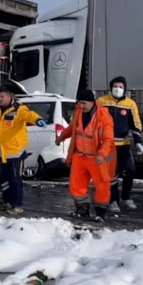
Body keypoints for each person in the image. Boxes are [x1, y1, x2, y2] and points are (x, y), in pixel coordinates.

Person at [57, 88, 116, 222]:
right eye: (79, 103)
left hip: (97, 158)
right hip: (80, 156)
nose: (81, 106)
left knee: (102, 186)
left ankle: (100, 213)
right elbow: (73, 127)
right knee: (76, 184)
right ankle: (82, 210)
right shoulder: (79, 111)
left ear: (92, 102)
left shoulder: (104, 117)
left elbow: (108, 140)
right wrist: (62, 136)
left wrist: (102, 154)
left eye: (84, 103)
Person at [0, 84, 46, 216]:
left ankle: (17, 205)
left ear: (10, 96)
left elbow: (29, 115)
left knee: (15, 180)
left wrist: (38, 120)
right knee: (4, 179)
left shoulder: (19, 109)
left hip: (16, 152)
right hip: (3, 152)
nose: (0, 99)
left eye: (2, 97)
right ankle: (7, 202)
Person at [97, 76, 143, 212]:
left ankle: (126, 198)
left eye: (121, 87)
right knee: (111, 174)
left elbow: (136, 123)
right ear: (111, 88)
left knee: (130, 170)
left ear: (125, 89)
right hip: (108, 145)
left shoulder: (130, 104)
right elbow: (95, 122)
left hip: (123, 144)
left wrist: (138, 141)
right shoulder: (102, 102)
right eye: (116, 86)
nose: (118, 89)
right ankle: (113, 201)